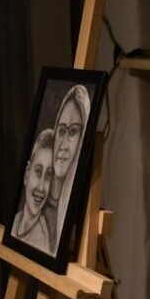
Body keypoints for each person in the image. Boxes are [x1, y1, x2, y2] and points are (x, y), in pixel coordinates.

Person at [44, 84, 90, 250]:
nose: (63, 145)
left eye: (72, 132)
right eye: (62, 131)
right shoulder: (37, 206)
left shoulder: (71, 210)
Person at [12, 129, 56, 254]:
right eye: (38, 171)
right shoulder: (15, 221)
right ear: (27, 174)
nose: (41, 187)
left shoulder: (41, 243)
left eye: (48, 175)